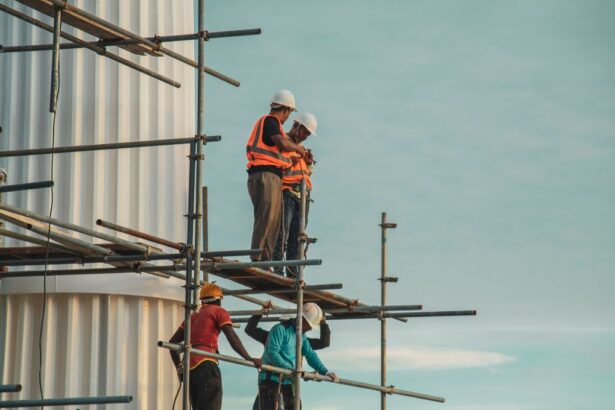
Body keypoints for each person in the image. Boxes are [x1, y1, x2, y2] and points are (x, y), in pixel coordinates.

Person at [168, 283, 262, 410]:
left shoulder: (192, 317)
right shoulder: (218, 311)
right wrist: (248, 358)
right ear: (218, 300)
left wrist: (180, 369)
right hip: (206, 362)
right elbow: (231, 336)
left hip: (190, 368)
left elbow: (172, 343)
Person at [246, 90, 306, 263]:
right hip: (264, 175)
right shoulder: (270, 121)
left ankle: (265, 260)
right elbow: (282, 143)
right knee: (265, 219)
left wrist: (297, 157)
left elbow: (280, 154)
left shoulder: (273, 127)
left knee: (273, 221)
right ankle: (257, 259)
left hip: (271, 176)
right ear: (286, 110)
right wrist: (297, 149)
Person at [258, 303, 338, 410]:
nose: (310, 329)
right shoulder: (280, 329)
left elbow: (310, 354)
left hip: (289, 382)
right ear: (303, 319)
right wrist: (290, 369)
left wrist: (325, 371)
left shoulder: (301, 336)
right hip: (271, 382)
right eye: (310, 326)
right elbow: (273, 352)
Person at [272, 112, 318, 277]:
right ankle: (278, 270)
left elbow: (305, 173)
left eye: (307, 134)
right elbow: (278, 165)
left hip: (302, 198)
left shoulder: (301, 149)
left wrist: (308, 163)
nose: (305, 136)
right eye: (304, 131)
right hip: (287, 194)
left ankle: (293, 274)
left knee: (297, 238)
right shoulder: (283, 142)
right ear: (296, 125)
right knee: (282, 234)